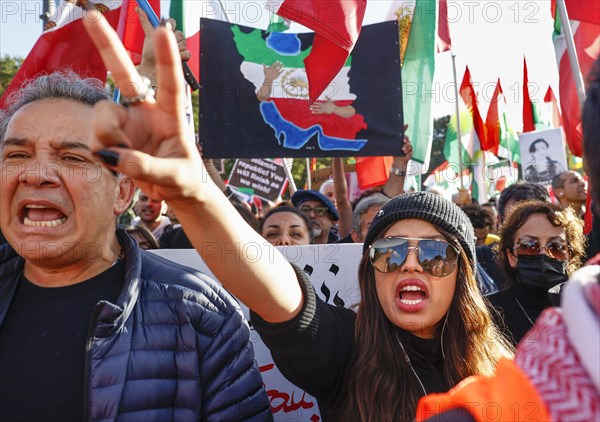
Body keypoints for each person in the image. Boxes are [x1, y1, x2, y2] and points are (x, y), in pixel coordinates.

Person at [80, 13, 513, 422]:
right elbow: (276, 290)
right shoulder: (346, 347)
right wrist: (196, 195)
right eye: (390, 253)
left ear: (464, 274)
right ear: (371, 270)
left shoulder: (511, 371)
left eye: (436, 254)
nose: (412, 264)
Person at [0, 21, 271, 422]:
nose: (35, 173)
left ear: (123, 193)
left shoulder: (199, 314)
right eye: (16, 155)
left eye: (72, 157)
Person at [486, 201, 586, 345]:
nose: (544, 254)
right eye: (529, 246)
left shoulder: (588, 312)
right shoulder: (487, 314)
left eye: (556, 247)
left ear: (569, 256)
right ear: (511, 257)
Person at [476, 182, 551, 291]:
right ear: (500, 221)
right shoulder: (479, 261)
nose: (528, 229)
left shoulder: (561, 255)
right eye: (516, 220)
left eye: (537, 220)